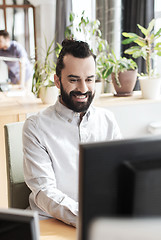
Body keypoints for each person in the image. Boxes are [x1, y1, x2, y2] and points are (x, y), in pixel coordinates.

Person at [23, 39, 122, 227]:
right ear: (57, 81)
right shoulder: (35, 126)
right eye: (74, 79)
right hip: (50, 221)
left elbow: (119, 176)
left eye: (89, 79)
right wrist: (88, 219)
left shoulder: (108, 120)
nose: (83, 89)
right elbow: (44, 191)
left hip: (101, 222)